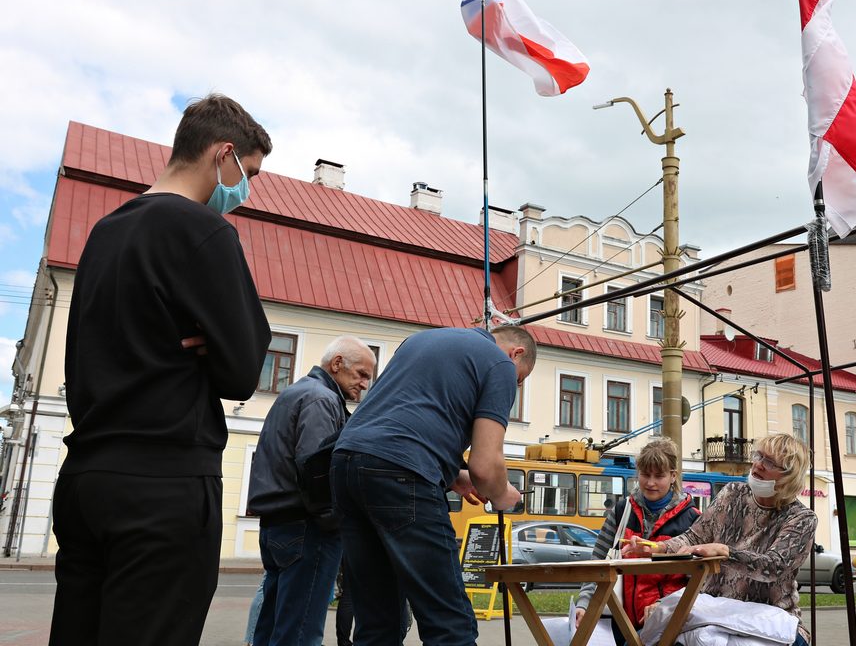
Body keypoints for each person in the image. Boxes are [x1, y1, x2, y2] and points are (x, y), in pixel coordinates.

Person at [49, 94, 273, 646]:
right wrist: (211, 347)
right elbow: (244, 369)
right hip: (163, 481)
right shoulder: (203, 231)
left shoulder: (106, 229)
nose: (248, 188)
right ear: (224, 154)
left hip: (87, 476)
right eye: (251, 172)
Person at [332, 325, 536, 646]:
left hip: (346, 464)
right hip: (402, 473)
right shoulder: (500, 364)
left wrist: (453, 474)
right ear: (516, 353)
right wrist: (502, 493)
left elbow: (404, 417)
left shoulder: (420, 341)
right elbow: (485, 466)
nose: (515, 385)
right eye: (520, 380)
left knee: (378, 620)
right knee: (450, 623)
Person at [625, 433, 818, 646]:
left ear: (789, 476)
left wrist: (726, 552)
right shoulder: (733, 493)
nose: (759, 465)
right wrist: (656, 548)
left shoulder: (801, 518)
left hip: (770, 619)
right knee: (642, 639)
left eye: (770, 462)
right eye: (759, 456)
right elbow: (694, 536)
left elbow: (774, 567)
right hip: (713, 611)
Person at [249, 336, 376, 646]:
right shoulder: (322, 399)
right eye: (361, 374)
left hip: (278, 524)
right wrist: (336, 521)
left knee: (273, 626)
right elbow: (318, 469)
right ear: (336, 365)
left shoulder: (295, 391)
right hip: (308, 527)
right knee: (301, 631)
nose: (364, 384)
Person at [575, 438, 699, 639]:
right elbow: (597, 562)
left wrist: (664, 604)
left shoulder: (692, 518)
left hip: (668, 624)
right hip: (620, 623)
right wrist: (584, 603)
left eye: (659, 476)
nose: (650, 483)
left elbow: (698, 581)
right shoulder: (621, 511)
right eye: (645, 475)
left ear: (673, 476)